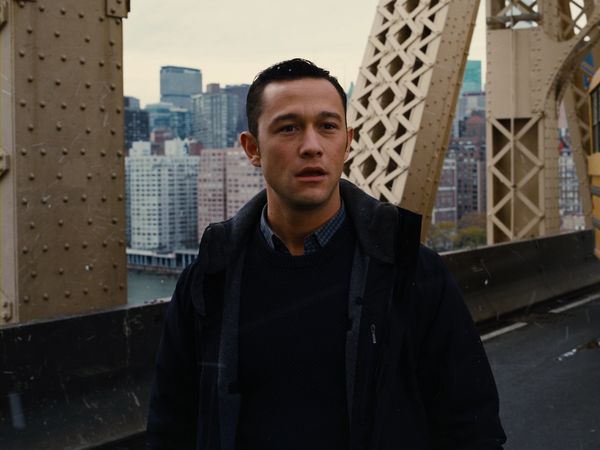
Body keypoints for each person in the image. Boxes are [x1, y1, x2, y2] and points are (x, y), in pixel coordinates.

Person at [146, 58, 506, 450]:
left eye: (328, 127)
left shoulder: (413, 273)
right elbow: (170, 426)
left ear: (348, 142)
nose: (312, 146)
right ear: (252, 148)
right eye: (288, 128)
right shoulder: (208, 280)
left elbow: (472, 427)